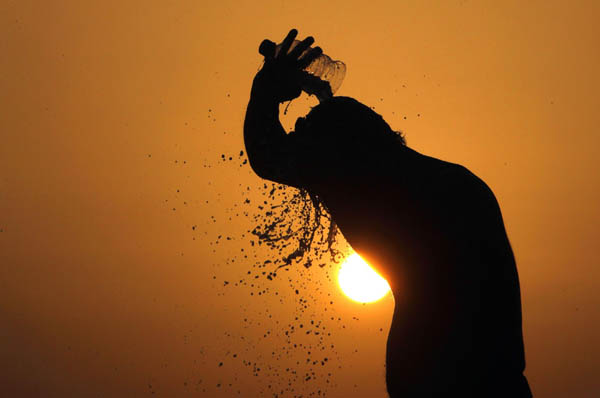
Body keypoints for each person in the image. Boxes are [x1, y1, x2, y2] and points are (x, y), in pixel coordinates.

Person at [244, 29, 532, 398]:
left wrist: (265, 89)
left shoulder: (364, 186)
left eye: (305, 133)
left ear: (339, 155)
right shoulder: (456, 182)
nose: (296, 133)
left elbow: (267, 155)